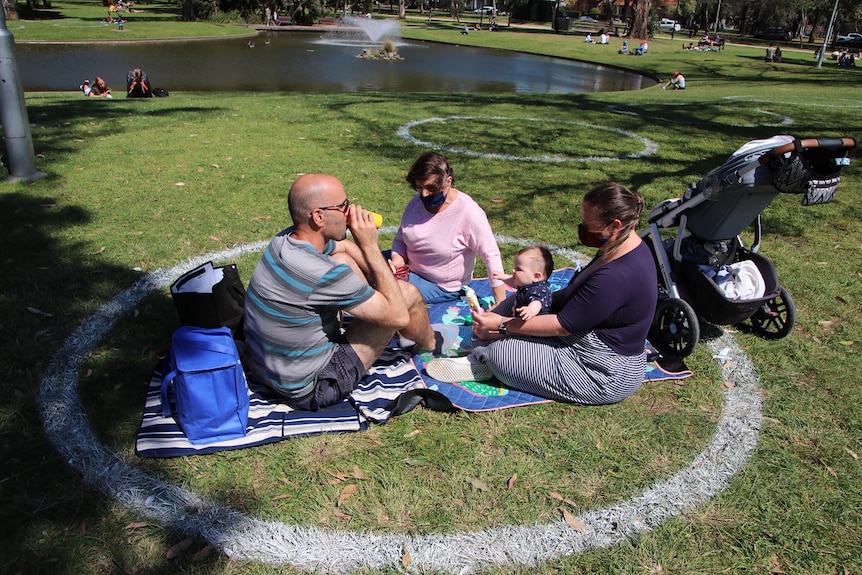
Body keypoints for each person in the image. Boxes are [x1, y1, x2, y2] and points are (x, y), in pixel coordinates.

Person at [426, 182, 658, 406]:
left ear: (615, 226)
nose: (583, 232)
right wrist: (503, 314)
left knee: (501, 352)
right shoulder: (618, 246)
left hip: (601, 369)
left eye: (588, 228)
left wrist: (503, 325)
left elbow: (562, 325)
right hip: (582, 334)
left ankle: (485, 356)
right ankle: (487, 341)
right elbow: (573, 297)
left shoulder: (616, 276)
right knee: (517, 300)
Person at [243, 174, 452, 411]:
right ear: (319, 217)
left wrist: (378, 276)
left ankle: (374, 303)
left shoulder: (284, 242)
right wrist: (371, 247)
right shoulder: (322, 274)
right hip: (312, 387)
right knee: (408, 295)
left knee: (342, 259)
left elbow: (342, 247)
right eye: (343, 206)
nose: (350, 211)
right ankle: (430, 344)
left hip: (269, 371)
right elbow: (399, 316)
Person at [389, 151, 507, 305]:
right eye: (420, 187)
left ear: (448, 181)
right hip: (408, 270)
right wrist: (397, 262)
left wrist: (501, 303)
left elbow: (491, 254)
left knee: (387, 288)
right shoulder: (416, 202)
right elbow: (401, 239)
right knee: (361, 262)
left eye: (431, 188)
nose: (424, 194)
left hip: (440, 285)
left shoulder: (468, 212)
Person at [492, 246, 554, 321]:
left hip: (532, 326)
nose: (513, 270)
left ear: (536, 276)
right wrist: (503, 277)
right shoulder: (527, 283)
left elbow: (537, 302)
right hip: (519, 318)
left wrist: (530, 310)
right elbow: (514, 282)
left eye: (518, 269)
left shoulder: (540, 290)